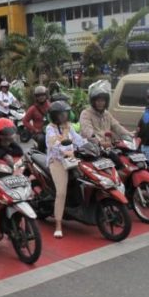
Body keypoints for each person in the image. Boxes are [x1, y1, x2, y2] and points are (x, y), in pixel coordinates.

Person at [45, 101, 86, 238]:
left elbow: (78, 140)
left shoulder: (68, 127)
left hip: (72, 159)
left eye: (65, 113)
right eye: (61, 114)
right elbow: (53, 144)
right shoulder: (50, 128)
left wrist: (90, 143)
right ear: (54, 116)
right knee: (61, 192)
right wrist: (65, 150)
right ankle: (58, 224)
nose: (64, 116)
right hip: (57, 161)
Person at [79, 80, 130, 147]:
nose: (100, 103)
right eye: (98, 101)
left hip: (107, 147)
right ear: (93, 102)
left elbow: (117, 126)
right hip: (92, 148)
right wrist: (99, 142)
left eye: (103, 101)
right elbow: (88, 132)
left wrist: (129, 134)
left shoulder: (107, 114)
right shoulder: (86, 114)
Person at [22, 86, 50, 151]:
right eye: (38, 95)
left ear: (46, 95)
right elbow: (25, 121)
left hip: (50, 130)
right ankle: (41, 153)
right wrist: (34, 129)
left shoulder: (50, 105)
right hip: (39, 133)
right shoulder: (33, 108)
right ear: (36, 97)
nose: (41, 97)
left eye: (42, 95)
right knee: (42, 139)